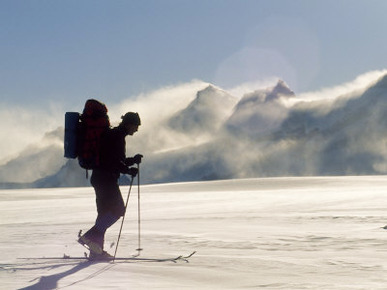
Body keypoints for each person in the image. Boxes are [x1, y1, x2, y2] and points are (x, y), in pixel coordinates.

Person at [78, 112, 143, 259]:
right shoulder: (117, 137)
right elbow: (113, 162)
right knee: (118, 209)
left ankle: (96, 251)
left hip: (100, 178)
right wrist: (128, 170)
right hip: (106, 179)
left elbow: (114, 159)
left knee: (103, 215)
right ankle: (90, 237)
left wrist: (132, 161)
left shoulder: (114, 135)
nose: (137, 129)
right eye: (136, 126)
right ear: (129, 124)